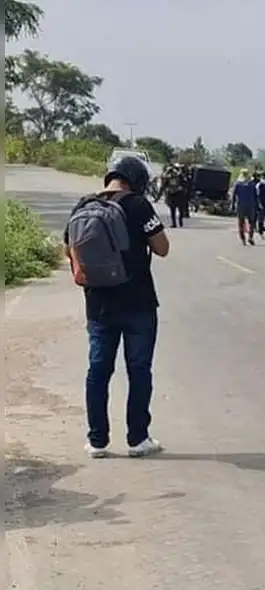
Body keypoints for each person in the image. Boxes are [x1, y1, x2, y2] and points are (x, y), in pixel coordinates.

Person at [63, 155, 169, 459]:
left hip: (98, 305)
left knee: (98, 370)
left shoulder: (84, 205)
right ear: (137, 180)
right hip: (138, 303)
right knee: (138, 370)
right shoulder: (138, 205)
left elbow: (68, 249)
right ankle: (138, 439)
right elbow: (162, 248)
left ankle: (97, 441)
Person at [231, 168, 259, 245]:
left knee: (241, 223)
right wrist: (257, 206)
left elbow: (233, 195)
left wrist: (232, 205)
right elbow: (256, 196)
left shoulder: (238, 184)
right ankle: (250, 237)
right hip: (251, 205)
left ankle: (243, 239)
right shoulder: (252, 184)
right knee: (252, 223)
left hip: (241, 206)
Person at [161, 164, 187, 228]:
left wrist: (181, 188)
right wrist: (167, 189)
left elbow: (185, 184)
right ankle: (174, 224)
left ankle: (180, 220)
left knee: (181, 210)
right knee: (172, 210)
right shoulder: (167, 178)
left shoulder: (180, 176)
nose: (172, 173)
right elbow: (164, 185)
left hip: (179, 195)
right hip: (171, 195)